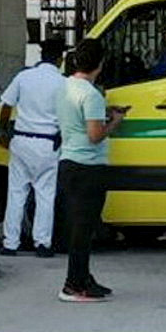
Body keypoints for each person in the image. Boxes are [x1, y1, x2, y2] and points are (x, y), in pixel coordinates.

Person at [56, 38, 127, 302]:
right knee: (83, 229)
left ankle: (84, 277)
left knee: (79, 225)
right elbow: (95, 135)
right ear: (100, 63)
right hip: (89, 168)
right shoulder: (91, 94)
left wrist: (101, 112)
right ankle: (73, 284)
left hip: (69, 163)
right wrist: (115, 121)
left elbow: (76, 118)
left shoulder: (65, 87)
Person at [0, 38, 68, 257]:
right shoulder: (63, 83)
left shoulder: (24, 77)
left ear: (41, 55)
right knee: (45, 195)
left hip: (21, 141)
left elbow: (6, 106)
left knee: (16, 194)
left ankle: (10, 243)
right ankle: (42, 244)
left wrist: (3, 131)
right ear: (60, 58)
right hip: (48, 144)